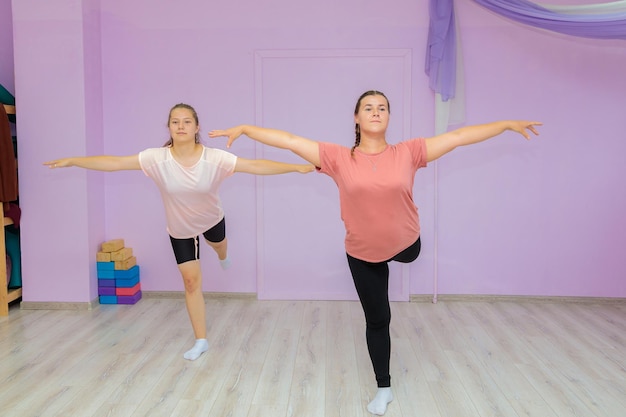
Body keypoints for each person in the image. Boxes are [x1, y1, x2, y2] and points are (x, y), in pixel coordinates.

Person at [209, 90, 542, 415]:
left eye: (382, 107)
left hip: (405, 243)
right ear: (356, 117)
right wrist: (246, 129)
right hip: (363, 253)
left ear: (389, 117)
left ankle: (400, 250)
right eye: (368, 107)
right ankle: (384, 387)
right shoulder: (337, 157)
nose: (376, 111)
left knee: (409, 253)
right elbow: (290, 139)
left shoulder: (409, 152)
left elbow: (459, 137)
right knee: (379, 318)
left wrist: (506, 124)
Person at [44, 103, 314, 361]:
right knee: (191, 283)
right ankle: (201, 340)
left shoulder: (214, 158)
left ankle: (222, 254)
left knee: (219, 246)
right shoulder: (155, 159)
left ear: (197, 127)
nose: (181, 126)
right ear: (169, 127)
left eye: (187, 122)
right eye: (175, 122)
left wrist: (296, 167)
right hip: (181, 230)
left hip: (211, 220)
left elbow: (254, 166)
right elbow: (115, 162)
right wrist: (74, 160)